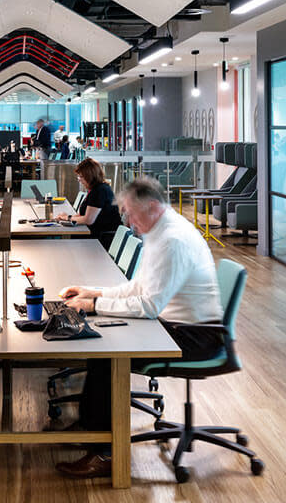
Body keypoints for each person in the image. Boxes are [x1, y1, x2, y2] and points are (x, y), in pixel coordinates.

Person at [54, 176, 222, 479]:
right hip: (174, 324)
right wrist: (94, 292)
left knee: (107, 349)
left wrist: (93, 306)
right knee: (100, 339)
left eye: (131, 213)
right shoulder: (161, 231)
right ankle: (91, 427)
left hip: (195, 337)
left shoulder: (173, 240)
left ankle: (106, 453)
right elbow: (137, 288)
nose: (127, 220)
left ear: (153, 207)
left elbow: (148, 306)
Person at [56, 158, 121, 250]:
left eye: (81, 176)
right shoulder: (97, 189)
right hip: (97, 234)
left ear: (90, 176)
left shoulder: (99, 191)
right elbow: (84, 214)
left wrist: (68, 218)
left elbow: (89, 220)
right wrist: (68, 218)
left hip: (102, 239)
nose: (79, 179)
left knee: (64, 246)